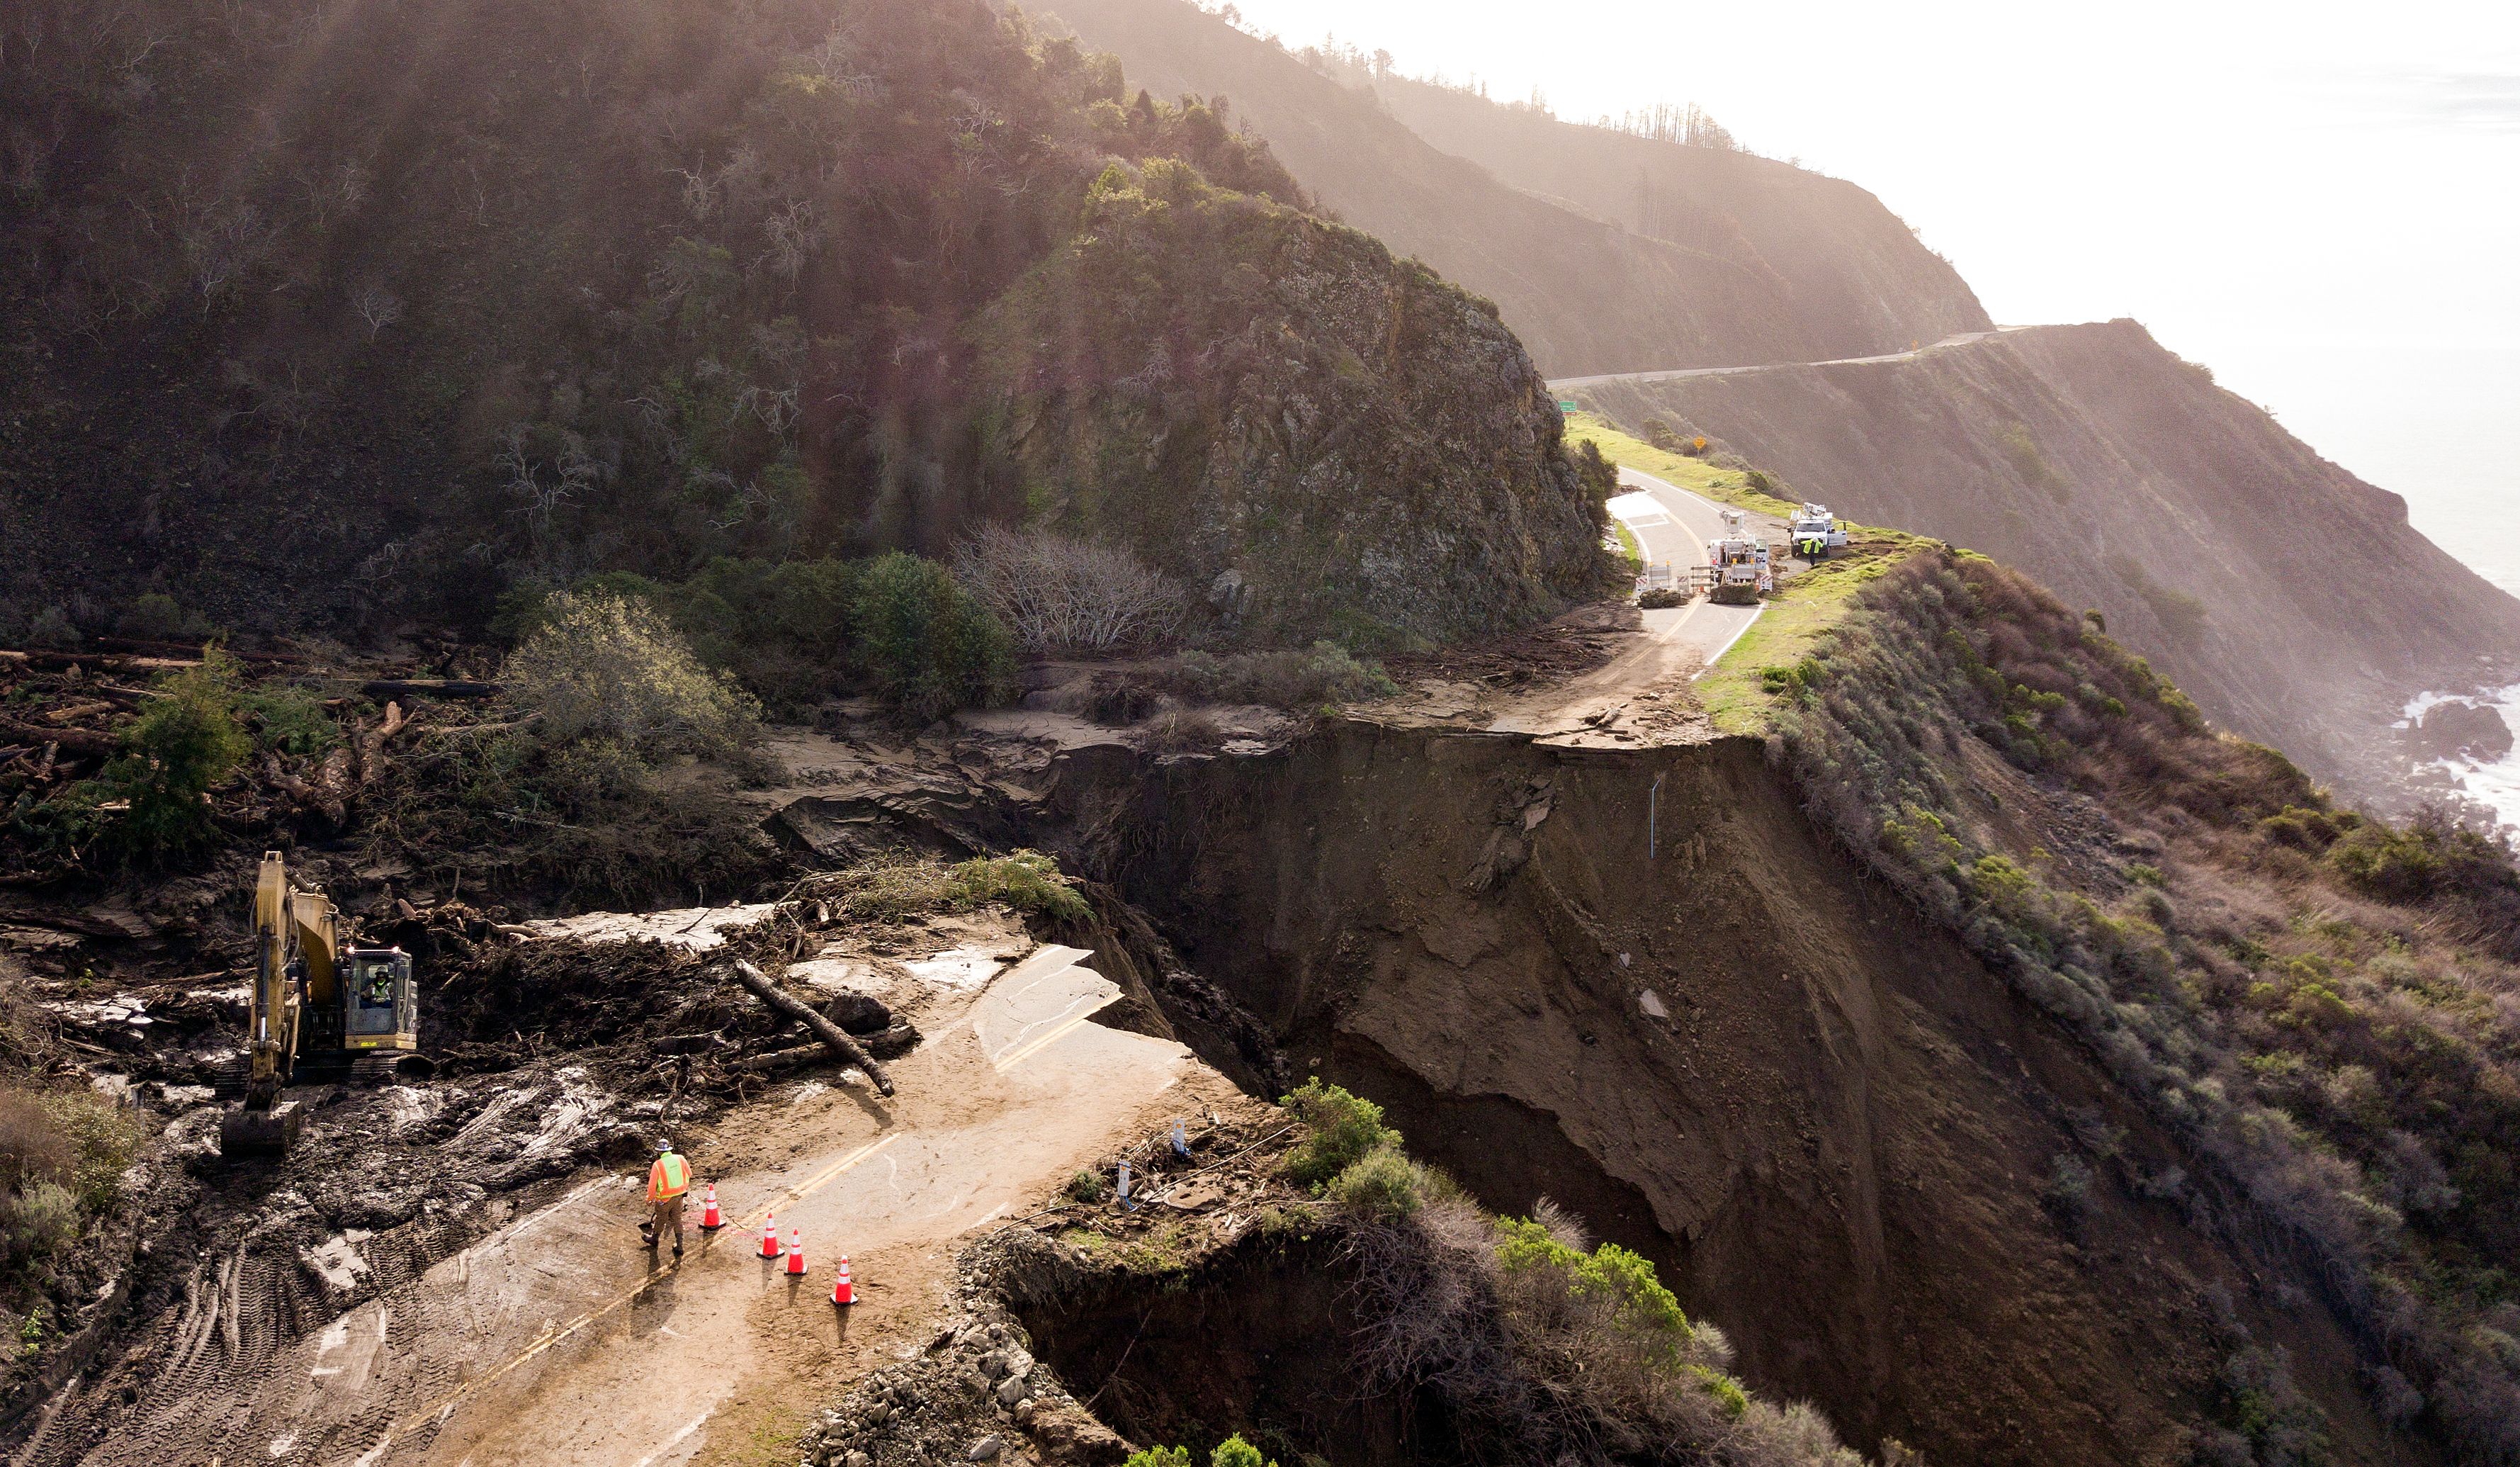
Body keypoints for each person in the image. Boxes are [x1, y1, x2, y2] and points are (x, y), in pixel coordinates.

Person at [642, 1139, 690, 1257]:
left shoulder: (658, 1165)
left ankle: (654, 1239)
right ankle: (679, 1246)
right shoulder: (681, 1158)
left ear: (659, 1152)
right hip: (679, 1195)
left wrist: (650, 1198)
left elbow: (652, 1185)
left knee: (661, 1218)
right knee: (677, 1219)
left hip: (664, 1198)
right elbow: (689, 1173)